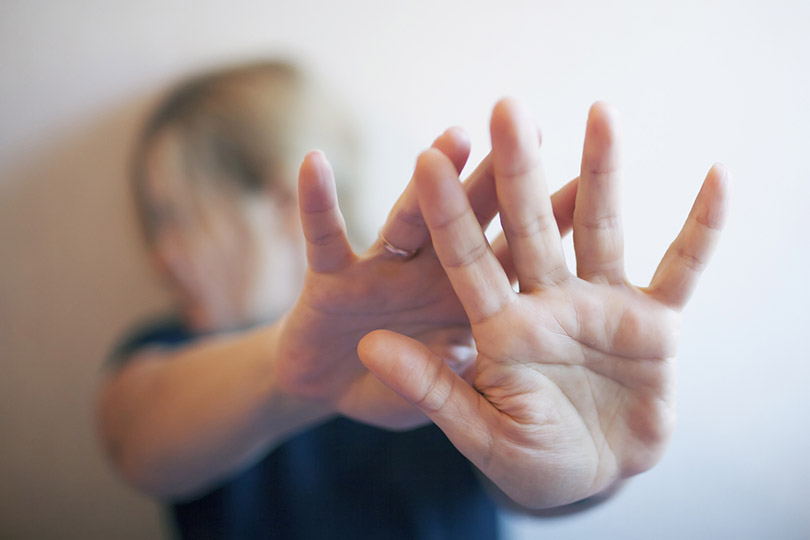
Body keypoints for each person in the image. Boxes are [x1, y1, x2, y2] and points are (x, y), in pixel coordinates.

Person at [96, 60, 728, 539]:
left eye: (174, 218)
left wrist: (595, 457)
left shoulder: (462, 338)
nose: (161, 257)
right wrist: (293, 375)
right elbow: (132, 439)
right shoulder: (169, 353)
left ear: (281, 202)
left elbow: (543, 484)